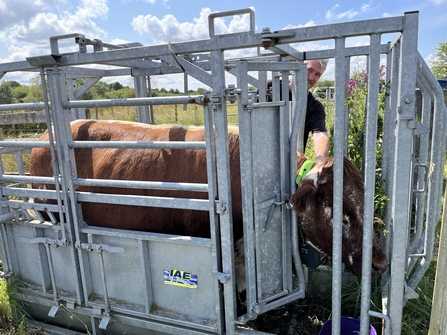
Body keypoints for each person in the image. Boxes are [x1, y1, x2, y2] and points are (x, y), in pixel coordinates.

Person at [265, 59, 330, 163]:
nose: (311, 77)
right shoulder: (269, 87)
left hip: (291, 166)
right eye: (309, 70)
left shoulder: (315, 106)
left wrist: (320, 159)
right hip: (260, 158)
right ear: (297, 67)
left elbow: (320, 134)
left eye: (317, 74)